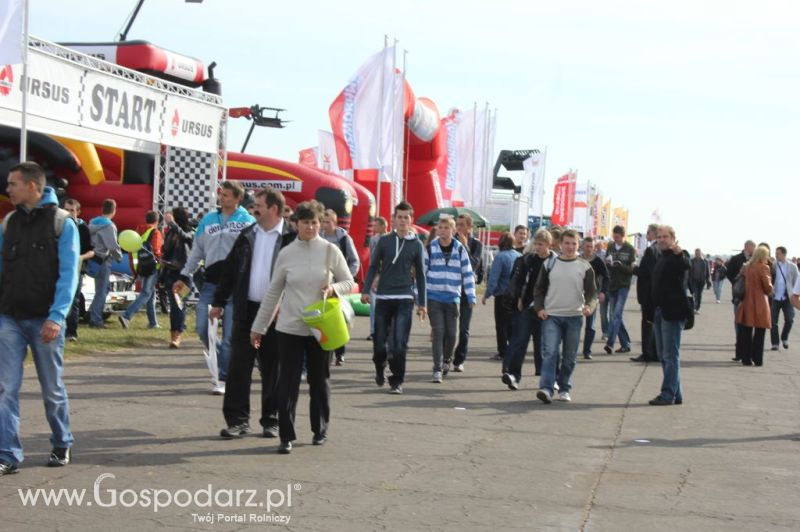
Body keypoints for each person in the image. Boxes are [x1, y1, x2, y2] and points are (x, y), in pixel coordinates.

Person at [250, 200, 354, 454]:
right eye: (306, 222)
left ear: (321, 224)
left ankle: (320, 429)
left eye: (315, 222)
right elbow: (273, 293)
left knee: (320, 379)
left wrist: (333, 288)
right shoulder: (286, 253)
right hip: (290, 326)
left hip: (321, 326)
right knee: (287, 381)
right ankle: (286, 435)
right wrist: (259, 327)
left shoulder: (330, 250)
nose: (311, 227)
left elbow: (349, 282)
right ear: (296, 224)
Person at [0, 162, 80, 475]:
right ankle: (7, 454)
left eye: (13, 183)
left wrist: (57, 316)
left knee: (52, 388)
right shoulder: (9, 222)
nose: (8, 189)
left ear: (32, 186)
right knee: (6, 388)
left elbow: (69, 275)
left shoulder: (62, 223)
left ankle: (62, 442)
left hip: (46, 320)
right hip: (9, 318)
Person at [211, 188, 295, 440]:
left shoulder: (292, 237)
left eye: (259, 204)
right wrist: (219, 301)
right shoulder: (247, 234)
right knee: (238, 367)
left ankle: (272, 421)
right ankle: (237, 421)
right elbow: (230, 270)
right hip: (245, 310)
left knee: (273, 369)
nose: (254, 208)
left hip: (278, 314)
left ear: (274, 209)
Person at [173, 181, 255, 395]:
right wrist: (184, 275)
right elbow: (197, 251)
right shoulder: (208, 220)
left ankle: (224, 377)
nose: (222, 198)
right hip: (210, 283)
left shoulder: (248, 221)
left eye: (227, 195)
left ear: (238, 198)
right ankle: (221, 356)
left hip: (236, 286)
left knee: (229, 336)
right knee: (202, 328)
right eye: (221, 194)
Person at [362, 201, 427, 394]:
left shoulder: (416, 244)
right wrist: (366, 290)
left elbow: (421, 275)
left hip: (404, 298)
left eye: (406, 217)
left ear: (411, 220)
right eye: (399, 217)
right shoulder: (384, 241)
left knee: (399, 343)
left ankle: (397, 380)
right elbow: (373, 266)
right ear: (393, 219)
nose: (402, 220)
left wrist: (422, 303)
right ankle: (379, 366)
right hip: (382, 297)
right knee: (379, 342)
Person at [534, 230, 597, 403]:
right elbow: (538, 289)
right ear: (560, 244)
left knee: (569, 356)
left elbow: (592, 293)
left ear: (579, 245)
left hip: (574, 316)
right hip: (552, 316)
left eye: (574, 244)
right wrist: (539, 308)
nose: (570, 247)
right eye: (567, 243)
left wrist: (589, 307)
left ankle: (564, 387)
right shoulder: (549, 264)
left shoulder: (585, 267)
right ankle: (546, 388)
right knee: (550, 352)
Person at [503, 229, 556, 388]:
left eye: (541, 244)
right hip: (527, 306)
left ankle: (550, 379)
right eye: (536, 244)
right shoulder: (529, 260)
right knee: (520, 341)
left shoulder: (555, 262)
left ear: (549, 245)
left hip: (547, 308)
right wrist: (519, 298)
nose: (537, 247)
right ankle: (513, 375)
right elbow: (521, 281)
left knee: (546, 345)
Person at [426, 216, 476, 382]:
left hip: (453, 296)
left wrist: (471, 295)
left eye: (447, 228)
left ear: (453, 231)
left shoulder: (460, 249)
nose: (444, 231)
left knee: (452, 334)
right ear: (437, 230)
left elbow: (468, 273)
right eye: (441, 227)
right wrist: (419, 297)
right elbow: (422, 272)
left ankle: (447, 359)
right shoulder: (431, 248)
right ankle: (437, 368)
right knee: (438, 332)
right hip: (434, 296)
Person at [648, 225, 690, 405]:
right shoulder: (662, 257)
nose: (662, 239)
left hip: (672, 312)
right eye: (659, 237)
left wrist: (679, 253)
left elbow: (684, 264)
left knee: (670, 355)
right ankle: (676, 393)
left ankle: (667, 394)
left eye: (666, 236)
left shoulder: (677, 255)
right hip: (659, 310)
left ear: (673, 238)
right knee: (664, 354)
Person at [321, 209, 360, 365]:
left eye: (328, 222)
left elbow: (355, 261)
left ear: (335, 223)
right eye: (323, 221)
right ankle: (324, 350)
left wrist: (346, 278)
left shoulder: (344, 239)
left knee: (339, 318)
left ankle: (340, 351)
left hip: (338, 285)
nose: (325, 225)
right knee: (324, 318)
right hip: (322, 284)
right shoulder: (319, 238)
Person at [118, 211, 163, 330]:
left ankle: (153, 323)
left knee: (151, 295)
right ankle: (126, 316)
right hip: (152, 267)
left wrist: (134, 270)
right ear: (156, 221)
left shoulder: (137, 233)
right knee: (146, 293)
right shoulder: (155, 232)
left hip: (141, 267)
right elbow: (157, 251)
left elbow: (131, 252)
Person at [482, 232, 520, 363]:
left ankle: (503, 351)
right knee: (512, 324)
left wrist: (486, 295)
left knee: (501, 325)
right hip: (515, 295)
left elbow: (494, 278)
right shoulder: (519, 256)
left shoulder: (500, 257)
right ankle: (513, 349)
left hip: (502, 294)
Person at [452, 213, 483, 372]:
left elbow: (473, 265)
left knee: (464, 329)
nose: (459, 228)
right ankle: (445, 356)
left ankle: (459, 359)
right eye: (457, 225)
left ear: (470, 227)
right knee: (449, 329)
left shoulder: (476, 244)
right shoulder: (450, 242)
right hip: (451, 289)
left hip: (467, 291)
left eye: (462, 225)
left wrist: (465, 246)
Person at [159, 207, 194, 348]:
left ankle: (177, 335)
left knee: (179, 305)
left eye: (172, 216)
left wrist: (173, 224)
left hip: (184, 274)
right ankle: (173, 335)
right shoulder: (170, 232)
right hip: (170, 272)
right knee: (173, 306)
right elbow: (166, 251)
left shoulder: (190, 230)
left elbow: (186, 237)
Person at [735, 245, 773, 366]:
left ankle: (746, 358)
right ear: (764, 256)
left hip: (747, 300)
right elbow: (767, 287)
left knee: (746, 330)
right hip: (760, 301)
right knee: (760, 332)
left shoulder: (747, 267)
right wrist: (771, 289)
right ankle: (757, 358)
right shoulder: (764, 268)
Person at [63, 199, 94, 342]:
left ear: (78, 212)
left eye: (72, 210)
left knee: (74, 299)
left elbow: (92, 251)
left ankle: (71, 332)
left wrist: (80, 257)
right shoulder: (60, 225)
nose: (69, 213)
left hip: (78, 268)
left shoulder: (83, 228)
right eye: (66, 210)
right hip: (61, 267)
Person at [87, 199, 122, 328]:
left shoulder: (92, 222)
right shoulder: (109, 225)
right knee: (102, 290)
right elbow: (112, 245)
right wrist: (119, 257)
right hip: (103, 259)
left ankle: (91, 313)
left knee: (99, 289)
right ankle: (95, 319)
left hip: (93, 257)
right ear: (114, 210)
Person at [603, 225, 635, 354]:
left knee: (616, 315)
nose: (615, 239)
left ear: (623, 236)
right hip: (612, 284)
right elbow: (606, 261)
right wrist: (608, 263)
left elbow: (631, 270)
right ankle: (626, 344)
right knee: (617, 316)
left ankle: (610, 343)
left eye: (617, 237)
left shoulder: (630, 249)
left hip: (623, 285)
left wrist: (620, 266)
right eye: (614, 236)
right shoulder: (610, 247)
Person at [631, 224, 660, 363]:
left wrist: (634, 268)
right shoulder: (661, 249)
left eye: (648, 232)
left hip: (648, 292)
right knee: (654, 323)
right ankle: (654, 351)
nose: (646, 235)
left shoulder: (651, 250)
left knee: (647, 324)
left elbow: (645, 272)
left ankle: (647, 352)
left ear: (653, 233)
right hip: (656, 292)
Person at [580, 236, 609, 360]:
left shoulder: (597, 261)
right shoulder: (578, 259)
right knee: (575, 323)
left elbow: (606, 277)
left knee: (590, 325)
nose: (589, 249)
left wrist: (602, 292)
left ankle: (587, 351)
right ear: (582, 246)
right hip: (578, 294)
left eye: (591, 246)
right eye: (587, 246)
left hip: (592, 295)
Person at [770, 246, 798, 351]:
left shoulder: (792, 266)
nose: (776, 255)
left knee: (790, 319)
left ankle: (784, 337)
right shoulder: (774, 265)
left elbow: (796, 281)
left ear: (784, 254)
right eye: (776, 253)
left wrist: (795, 294)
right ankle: (775, 343)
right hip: (776, 296)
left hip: (788, 297)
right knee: (773, 321)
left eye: (778, 253)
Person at [366, 216, 388, 341]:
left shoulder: (390, 239)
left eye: (376, 225)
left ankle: (384, 330)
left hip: (386, 275)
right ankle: (373, 331)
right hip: (375, 273)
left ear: (383, 226)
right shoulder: (373, 239)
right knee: (373, 304)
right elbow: (372, 258)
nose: (374, 227)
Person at [689, 248, 711, 313]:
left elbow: (708, 272)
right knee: (695, 294)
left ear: (701, 253)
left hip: (702, 281)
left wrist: (708, 281)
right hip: (694, 280)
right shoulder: (692, 261)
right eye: (696, 253)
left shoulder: (705, 261)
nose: (697, 255)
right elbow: (689, 271)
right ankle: (694, 308)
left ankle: (697, 308)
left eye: (698, 253)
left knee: (699, 295)